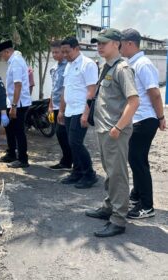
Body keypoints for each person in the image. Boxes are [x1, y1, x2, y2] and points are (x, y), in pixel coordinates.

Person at [85, 28, 140, 237]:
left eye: (103, 43)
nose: (99, 46)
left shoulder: (122, 68)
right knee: (110, 171)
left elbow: (134, 101)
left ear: (117, 43)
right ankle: (109, 207)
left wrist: (118, 127)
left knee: (118, 175)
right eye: (97, 43)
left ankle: (118, 219)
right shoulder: (107, 67)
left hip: (114, 131)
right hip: (104, 129)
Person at [120, 28, 167, 219]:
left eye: (121, 44)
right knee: (137, 160)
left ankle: (147, 206)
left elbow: (154, 93)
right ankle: (137, 196)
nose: (119, 47)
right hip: (138, 119)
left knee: (137, 161)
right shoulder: (133, 63)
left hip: (145, 119)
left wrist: (161, 118)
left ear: (130, 43)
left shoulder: (143, 64)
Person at [58, 37, 98, 188]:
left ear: (76, 48)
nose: (65, 55)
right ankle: (77, 172)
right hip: (69, 110)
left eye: (67, 51)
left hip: (81, 109)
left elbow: (91, 91)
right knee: (71, 143)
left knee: (76, 142)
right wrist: (61, 110)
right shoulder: (68, 66)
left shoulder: (87, 64)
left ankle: (89, 174)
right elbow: (65, 89)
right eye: (63, 52)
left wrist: (86, 114)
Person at [0, 40, 31, 168]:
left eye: (1, 55)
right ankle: (11, 153)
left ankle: (23, 159)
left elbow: (18, 85)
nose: (1, 57)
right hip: (13, 102)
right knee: (9, 129)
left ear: (7, 51)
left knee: (18, 131)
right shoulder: (13, 60)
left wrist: (14, 106)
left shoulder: (16, 61)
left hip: (19, 104)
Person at [48, 40, 73, 170]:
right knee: (60, 135)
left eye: (57, 52)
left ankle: (68, 161)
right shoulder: (54, 68)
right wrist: (50, 105)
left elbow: (65, 88)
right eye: (53, 52)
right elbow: (53, 89)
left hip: (66, 106)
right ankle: (66, 160)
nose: (55, 55)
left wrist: (62, 108)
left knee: (64, 134)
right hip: (56, 105)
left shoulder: (68, 66)